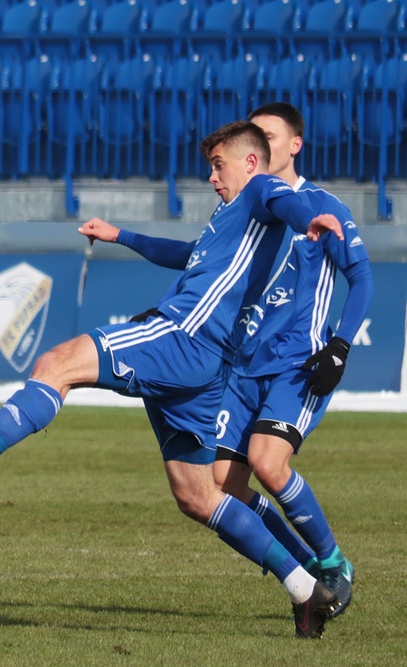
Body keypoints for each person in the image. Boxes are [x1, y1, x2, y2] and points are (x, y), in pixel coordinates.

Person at [0, 121, 346, 637]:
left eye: (218, 166)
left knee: (57, 364)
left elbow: (288, 202)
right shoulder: (229, 216)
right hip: (203, 363)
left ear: (250, 163)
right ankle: (306, 590)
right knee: (198, 496)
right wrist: (120, 235)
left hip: (182, 336)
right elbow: (187, 254)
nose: (211, 177)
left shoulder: (262, 189)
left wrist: (312, 218)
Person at [72, 104, 372, 621]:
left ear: (294, 145)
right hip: (240, 365)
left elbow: (362, 278)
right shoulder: (243, 209)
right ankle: (304, 573)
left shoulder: (320, 206)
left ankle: (332, 562)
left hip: (296, 364)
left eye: (270, 135)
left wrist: (340, 346)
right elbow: (192, 256)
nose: (261, 141)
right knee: (221, 484)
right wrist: (122, 235)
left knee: (268, 463)